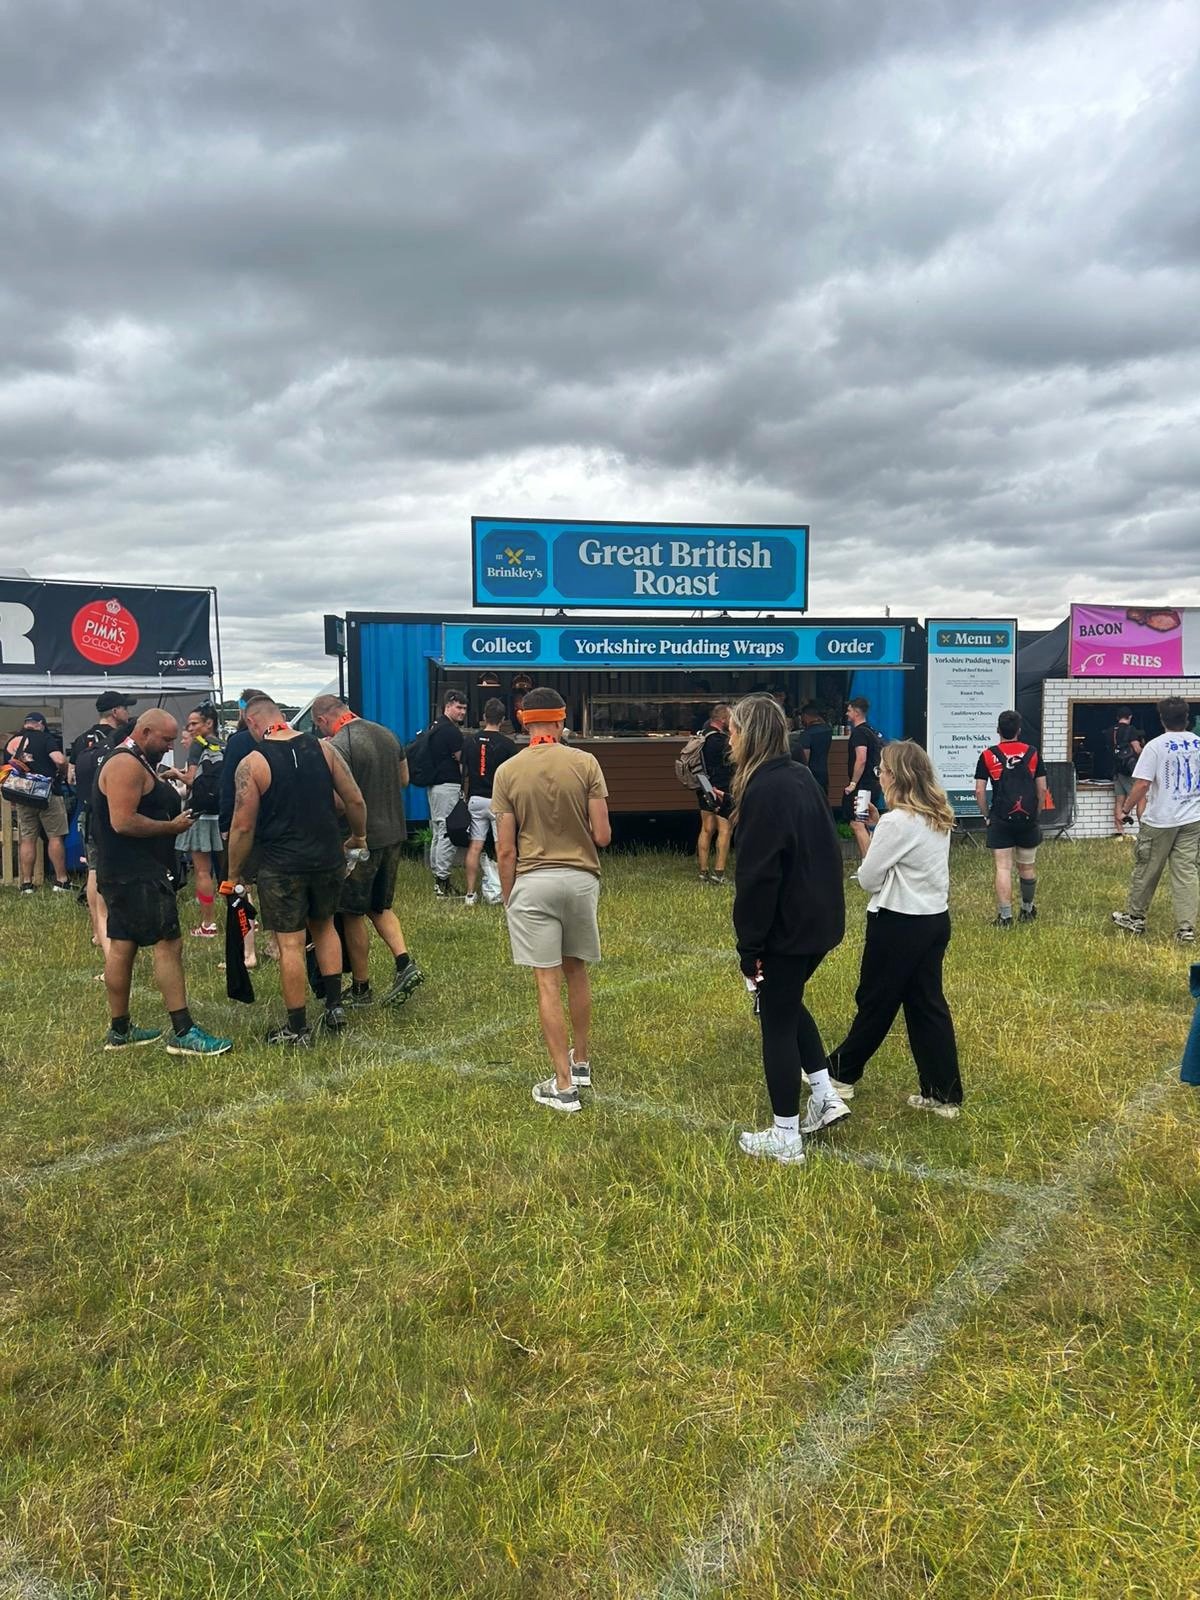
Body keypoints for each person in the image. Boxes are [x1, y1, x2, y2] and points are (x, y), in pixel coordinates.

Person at [730, 694, 847, 1164]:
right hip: (820, 919)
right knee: (788, 1001)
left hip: (789, 926)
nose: (730, 740)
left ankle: (785, 1135)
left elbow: (759, 877)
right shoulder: (798, 776)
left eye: (734, 731)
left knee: (775, 1020)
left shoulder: (765, 788)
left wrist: (749, 947)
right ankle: (823, 1095)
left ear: (750, 733)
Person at [826, 741, 963, 1118]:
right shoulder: (938, 813)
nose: (879, 776)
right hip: (934, 920)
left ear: (896, 776)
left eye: (882, 770)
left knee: (875, 1002)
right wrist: (877, 823)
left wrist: (862, 831)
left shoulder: (897, 822)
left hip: (898, 922)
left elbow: (870, 878)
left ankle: (840, 1074)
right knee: (926, 1006)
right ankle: (943, 1093)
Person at [492, 687, 611, 1113]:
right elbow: (603, 836)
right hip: (580, 880)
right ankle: (581, 1063)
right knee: (576, 971)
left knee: (547, 981)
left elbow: (505, 849)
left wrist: (509, 895)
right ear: (561, 721)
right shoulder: (586, 763)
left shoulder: (507, 771)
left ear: (524, 721)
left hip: (533, 882)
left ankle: (562, 1086)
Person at [227, 695, 368, 1045]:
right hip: (327, 858)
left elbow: (243, 827)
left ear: (252, 723)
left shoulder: (253, 762)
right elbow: (354, 799)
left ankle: (297, 1027)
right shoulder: (324, 749)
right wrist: (358, 836)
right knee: (325, 928)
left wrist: (233, 874)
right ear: (282, 717)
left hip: (281, 864)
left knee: (290, 943)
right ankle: (334, 1007)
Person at [92, 709, 232, 1055]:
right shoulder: (125, 764)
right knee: (168, 943)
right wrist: (170, 828)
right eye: (166, 740)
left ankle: (120, 1031)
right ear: (145, 731)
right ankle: (183, 1031)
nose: (170, 746)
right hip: (136, 871)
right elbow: (122, 821)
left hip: (127, 869)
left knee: (123, 944)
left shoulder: (134, 759)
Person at [311, 693, 425, 1009]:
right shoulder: (387, 734)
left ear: (323, 720)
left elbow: (340, 799)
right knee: (380, 906)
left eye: (320, 728)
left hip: (359, 840)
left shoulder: (338, 745)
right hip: (393, 833)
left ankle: (361, 988)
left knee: (352, 913)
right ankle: (404, 963)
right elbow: (404, 779)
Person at [1112, 696, 1200, 944]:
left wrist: (1126, 808)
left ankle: (1135, 917)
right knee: (1186, 872)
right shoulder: (1198, 743)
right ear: (1187, 718)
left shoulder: (1155, 746)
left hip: (1161, 819)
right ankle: (1186, 929)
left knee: (1147, 868)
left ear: (1162, 719)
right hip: (1193, 817)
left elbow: (1142, 784)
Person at [70, 692, 137, 959]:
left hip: (88, 812)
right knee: (111, 870)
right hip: (113, 813)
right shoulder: (122, 740)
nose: (128, 713)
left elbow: (72, 776)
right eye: (125, 708)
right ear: (114, 711)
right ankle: (113, 928)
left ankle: (98, 931)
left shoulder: (80, 741)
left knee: (93, 872)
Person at [974, 710, 1047, 929]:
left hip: (1001, 818)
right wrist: (1037, 814)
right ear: (1019, 731)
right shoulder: (1033, 753)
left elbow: (979, 791)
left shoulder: (988, 755)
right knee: (1027, 866)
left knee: (1003, 868)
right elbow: (1042, 788)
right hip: (1028, 819)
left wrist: (987, 815)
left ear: (998, 730)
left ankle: (1005, 917)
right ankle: (1027, 909)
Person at [170, 702, 225, 938]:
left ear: (208, 723)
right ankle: (247, 921)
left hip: (200, 815)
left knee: (203, 872)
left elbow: (191, 780)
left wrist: (175, 774)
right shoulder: (225, 745)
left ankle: (208, 924)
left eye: (194, 723)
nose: (190, 729)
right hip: (223, 814)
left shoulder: (197, 746)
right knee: (232, 871)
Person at [3, 711, 71, 892]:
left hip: (23, 796)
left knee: (27, 839)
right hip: (47, 795)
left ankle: (26, 884)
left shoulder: (13, 742)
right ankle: (61, 881)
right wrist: (63, 771)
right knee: (55, 837)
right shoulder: (45, 738)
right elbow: (60, 759)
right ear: (40, 724)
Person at [460, 696, 517, 906]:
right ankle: (504, 895)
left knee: (475, 847)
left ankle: (469, 894)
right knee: (502, 848)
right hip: (498, 802)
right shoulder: (508, 745)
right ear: (502, 720)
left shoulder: (470, 741)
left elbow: (464, 766)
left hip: (475, 799)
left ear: (484, 717)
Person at [427, 689, 468, 897]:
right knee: (447, 832)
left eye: (464, 708)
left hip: (434, 785)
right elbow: (462, 759)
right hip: (447, 786)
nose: (462, 712)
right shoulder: (450, 731)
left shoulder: (435, 726)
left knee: (438, 830)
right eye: (459, 707)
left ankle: (438, 878)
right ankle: (441, 881)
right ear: (448, 705)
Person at [696, 703, 734, 885]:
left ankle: (703, 872)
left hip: (703, 785)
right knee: (725, 830)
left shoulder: (701, 735)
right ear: (723, 720)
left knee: (706, 828)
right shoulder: (720, 741)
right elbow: (735, 759)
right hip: (722, 787)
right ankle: (719, 873)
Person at [843, 697, 884, 859]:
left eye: (849, 710)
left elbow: (861, 758)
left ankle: (868, 863)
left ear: (856, 712)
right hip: (873, 783)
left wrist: (853, 783)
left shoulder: (859, 733)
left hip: (863, 786)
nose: (847, 713)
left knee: (858, 822)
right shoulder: (872, 731)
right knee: (866, 822)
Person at [1108, 708, 1145, 835]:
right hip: (1129, 770)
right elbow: (1137, 749)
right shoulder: (1130, 730)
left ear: (1117, 717)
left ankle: (1120, 831)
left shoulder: (1110, 731)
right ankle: (1143, 830)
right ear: (1129, 717)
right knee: (1141, 798)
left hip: (1116, 769)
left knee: (1119, 799)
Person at [789, 703, 833, 805]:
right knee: (822, 801)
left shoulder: (807, 734)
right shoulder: (827, 730)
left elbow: (804, 757)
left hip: (810, 773)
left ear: (805, 716)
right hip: (823, 771)